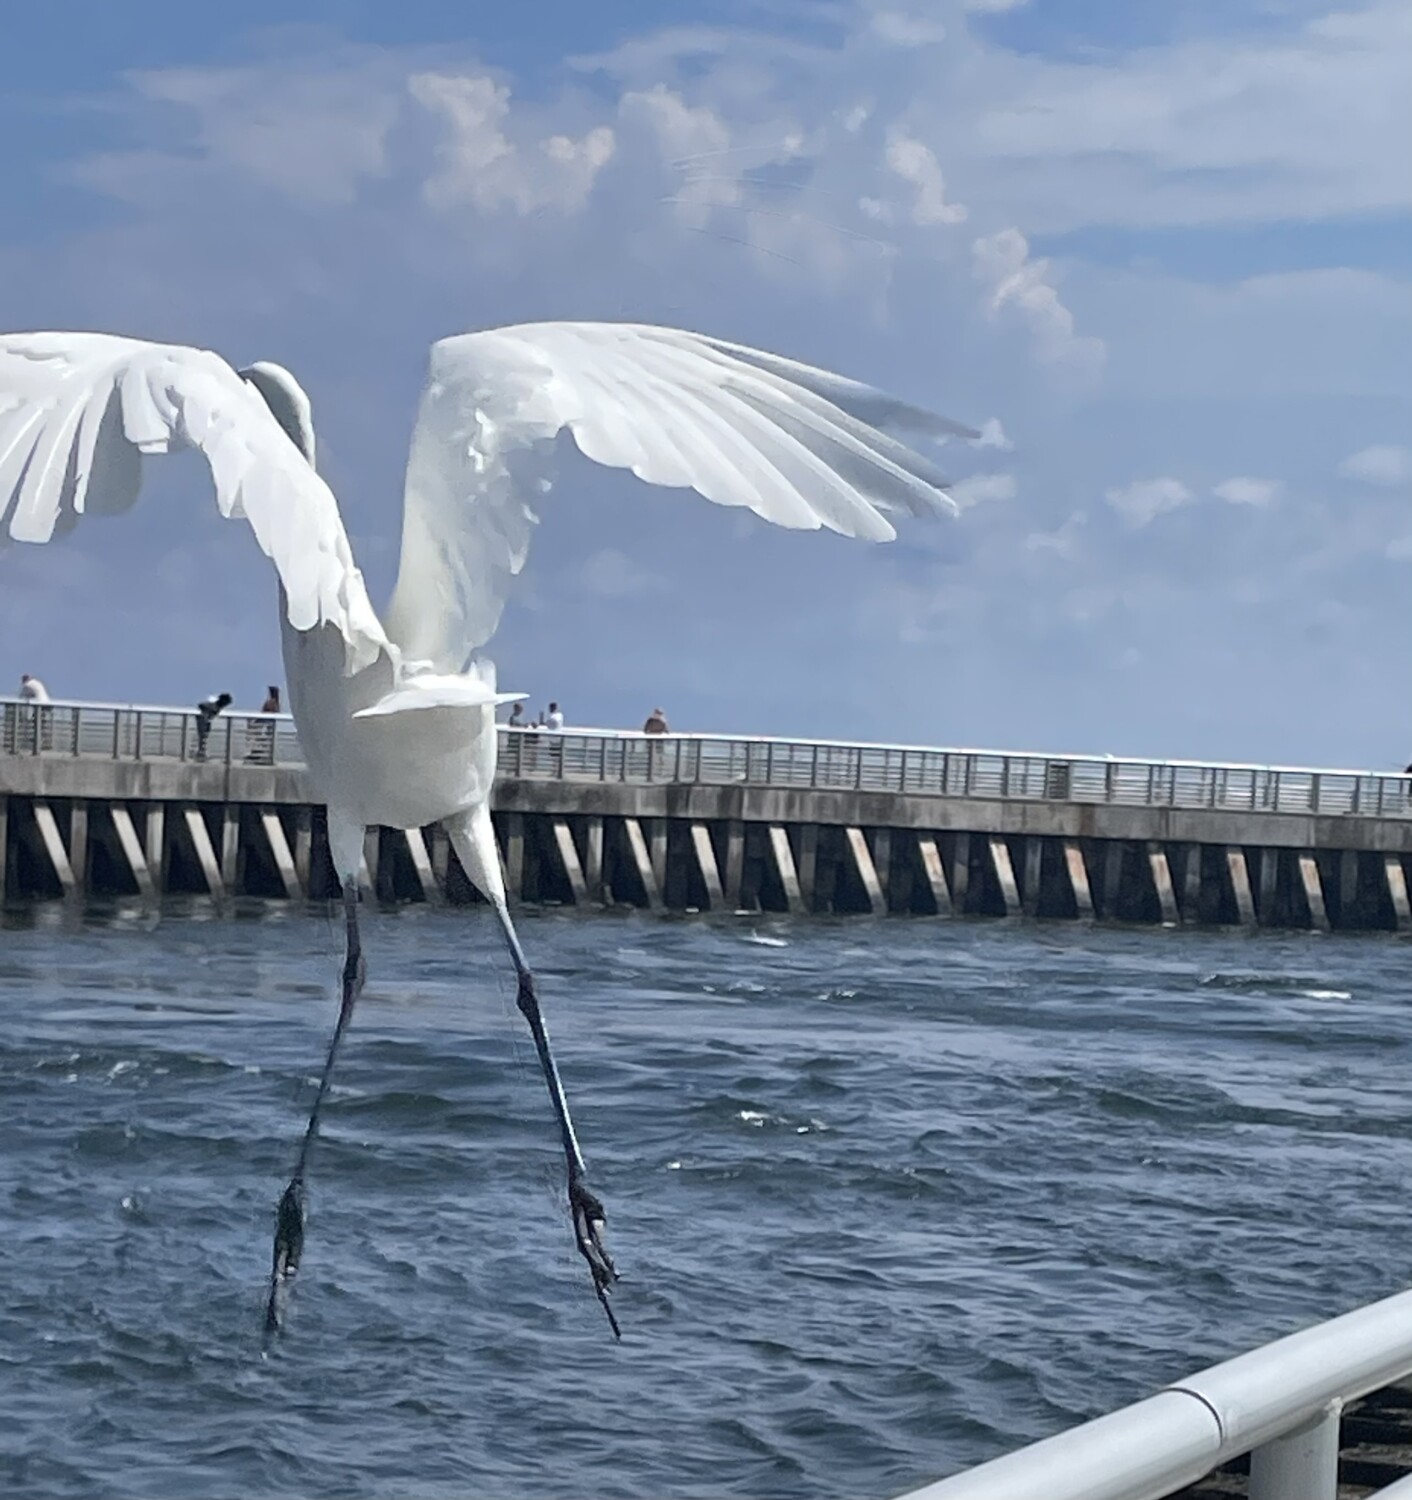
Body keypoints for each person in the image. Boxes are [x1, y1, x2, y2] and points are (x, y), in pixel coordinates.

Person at [246, 685, 281, 764]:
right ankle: (260, 755)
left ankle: (259, 755)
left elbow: (265, 713)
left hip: (265, 725)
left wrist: (257, 722)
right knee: (263, 741)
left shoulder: (271, 703)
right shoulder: (275, 703)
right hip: (267, 726)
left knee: (262, 740)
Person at [194, 691, 233, 761]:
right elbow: (201, 705)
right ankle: (200, 753)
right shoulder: (213, 705)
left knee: (204, 737)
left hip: (207, 721)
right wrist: (206, 715)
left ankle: (202, 752)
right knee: (202, 737)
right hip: (203, 721)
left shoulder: (218, 707)